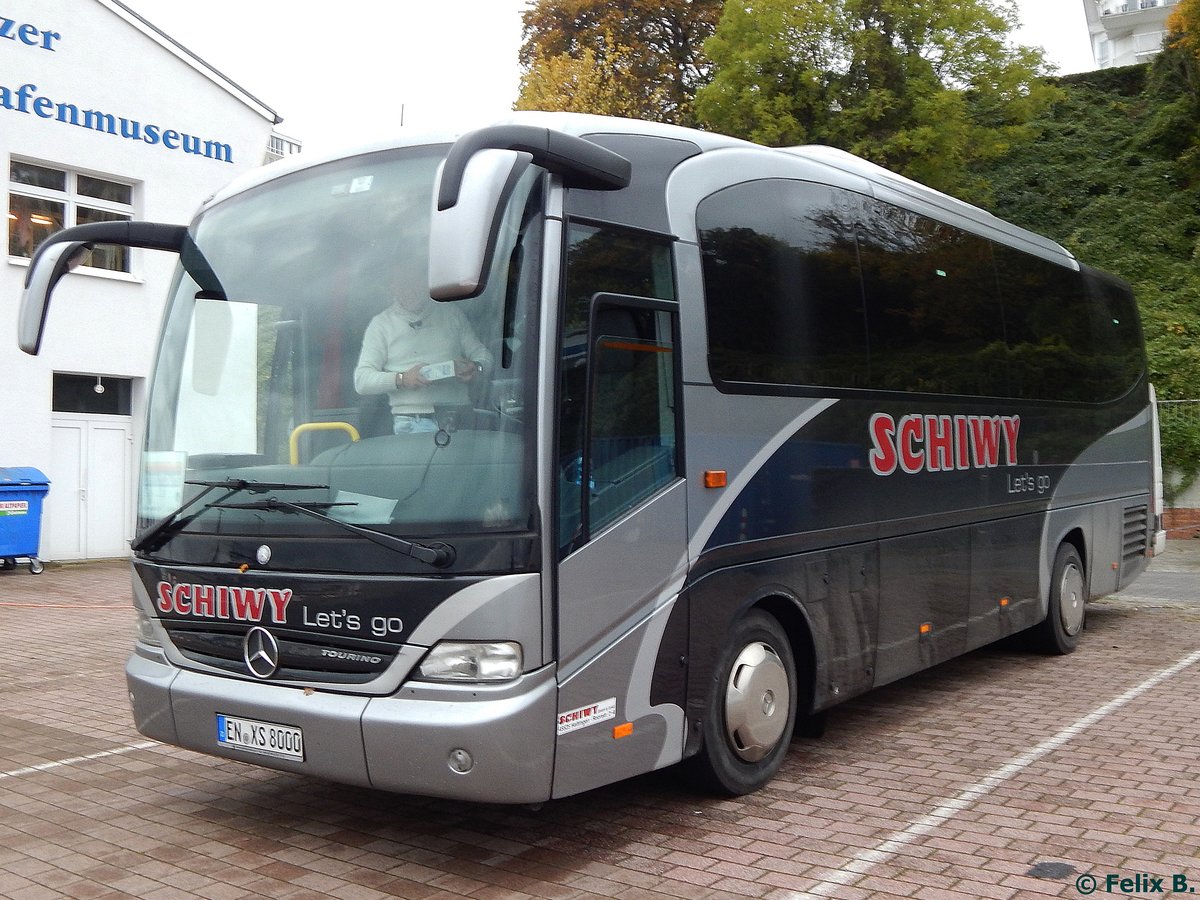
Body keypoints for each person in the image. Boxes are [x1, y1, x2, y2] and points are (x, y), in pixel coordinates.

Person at [353, 259, 492, 434]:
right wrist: (403, 379)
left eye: (415, 281)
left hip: (459, 416)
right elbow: (362, 380)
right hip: (410, 422)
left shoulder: (451, 314)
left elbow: (484, 356)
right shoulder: (381, 324)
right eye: (402, 283)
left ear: (427, 283)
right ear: (391, 287)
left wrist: (476, 367)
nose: (409, 289)